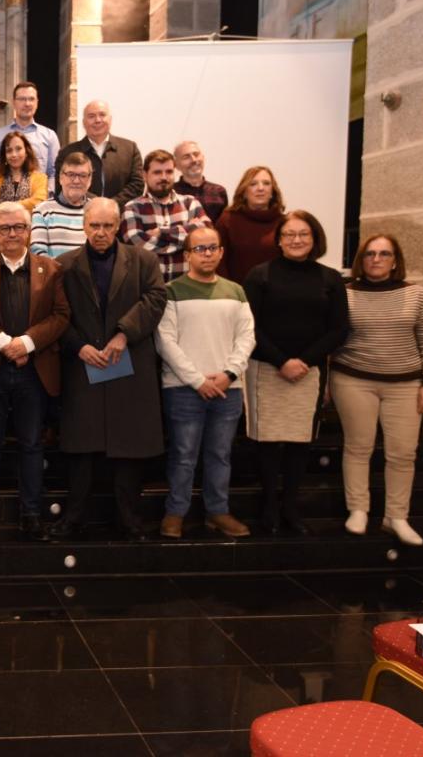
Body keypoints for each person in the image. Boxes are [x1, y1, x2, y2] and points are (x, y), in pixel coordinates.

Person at [50, 198, 166, 541]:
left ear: (118, 227)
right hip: (82, 362)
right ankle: (73, 519)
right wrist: (79, 346)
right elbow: (57, 313)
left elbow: (155, 299)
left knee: (128, 447)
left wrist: (123, 335)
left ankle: (129, 521)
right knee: (82, 448)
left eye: (107, 226)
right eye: (94, 226)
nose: (100, 233)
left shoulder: (143, 260)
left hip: (127, 361)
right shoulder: (64, 265)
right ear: (83, 226)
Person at [0, 202, 69, 542]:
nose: (11, 234)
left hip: (33, 370)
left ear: (29, 231)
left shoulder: (50, 269)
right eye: (4, 228)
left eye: (18, 228)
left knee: (31, 446)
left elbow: (61, 316)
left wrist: (26, 343)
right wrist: (2, 342)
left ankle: (32, 515)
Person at [330, 235, 423, 546]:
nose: (376, 259)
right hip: (353, 379)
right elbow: (332, 336)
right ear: (360, 260)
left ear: (395, 261)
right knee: (358, 446)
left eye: (384, 254)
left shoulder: (417, 295)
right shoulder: (345, 293)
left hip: (406, 384)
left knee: (403, 453)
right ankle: (358, 510)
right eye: (369, 254)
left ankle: (396, 517)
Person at [244, 210, 348, 535]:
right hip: (265, 367)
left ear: (314, 238)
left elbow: (339, 329)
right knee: (267, 441)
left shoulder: (330, 279)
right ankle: (269, 508)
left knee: (299, 441)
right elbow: (249, 326)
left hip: (308, 372)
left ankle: (291, 507)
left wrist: (304, 360)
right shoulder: (260, 275)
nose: (296, 240)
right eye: (289, 234)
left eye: (303, 234)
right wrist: (281, 361)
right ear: (279, 240)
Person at [155, 226, 256, 539]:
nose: (208, 253)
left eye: (213, 248)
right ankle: (175, 514)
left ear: (221, 252)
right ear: (187, 255)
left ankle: (218, 511)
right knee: (184, 455)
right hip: (184, 389)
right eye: (200, 249)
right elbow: (165, 341)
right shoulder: (172, 291)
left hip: (228, 390)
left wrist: (228, 374)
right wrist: (198, 380)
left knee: (220, 454)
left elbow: (247, 337)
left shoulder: (236, 291)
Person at [120, 149, 210, 283]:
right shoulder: (132, 207)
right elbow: (138, 245)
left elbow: (206, 234)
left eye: (169, 172)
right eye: (157, 172)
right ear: (144, 175)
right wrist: (187, 243)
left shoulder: (190, 203)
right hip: (149, 288)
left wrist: (161, 233)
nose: (164, 177)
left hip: (188, 287)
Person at [54, 99, 143, 206]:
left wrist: (112, 204)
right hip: (80, 216)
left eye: (102, 115)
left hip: (121, 217)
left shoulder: (129, 149)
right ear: (83, 122)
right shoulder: (67, 152)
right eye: (91, 116)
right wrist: (95, 203)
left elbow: (137, 184)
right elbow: (61, 185)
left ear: (110, 119)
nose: (97, 120)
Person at [0, 81, 60, 192]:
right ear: (14, 103)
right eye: (22, 99)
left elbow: (54, 173)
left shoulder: (49, 136)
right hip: (4, 202)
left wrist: (46, 196)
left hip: (39, 203)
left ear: (37, 102)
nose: (27, 104)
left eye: (31, 99)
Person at [215, 165, 285, 284]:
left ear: (273, 191)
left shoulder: (284, 223)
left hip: (276, 293)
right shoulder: (227, 220)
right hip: (237, 294)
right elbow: (218, 260)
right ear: (244, 192)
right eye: (253, 184)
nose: (260, 188)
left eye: (266, 183)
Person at [30, 152, 93, 259]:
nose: (77, 181)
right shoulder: (42, 211)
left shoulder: (96, 210)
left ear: (90, 180)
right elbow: (38, 252)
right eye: (71, 175)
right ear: (60, 178)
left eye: (82, 175)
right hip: (55, 274)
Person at [0, 130, 48, 213]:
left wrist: (7, 207)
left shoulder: (40, 179)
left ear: (26, 152)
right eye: (9, 151)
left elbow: (39, 203)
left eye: (18, 149)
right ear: (4, 156)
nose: (14, 154)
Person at [173, 140, 229, 224]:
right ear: (176, 165)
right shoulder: (172, 192)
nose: (194, 160)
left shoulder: (219, 191)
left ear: (203, 157)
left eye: (196, 154)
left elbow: (225, 225)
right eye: (186, 157)